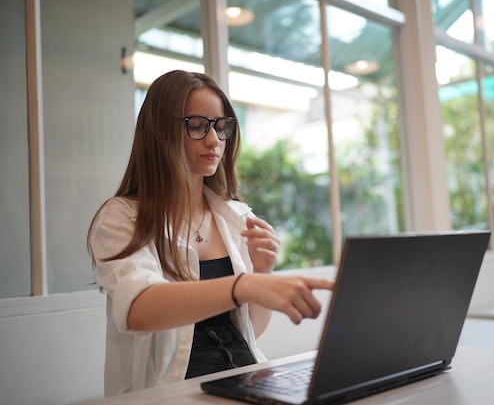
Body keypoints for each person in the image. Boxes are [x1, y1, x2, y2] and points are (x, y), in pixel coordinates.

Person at [87, 70, 334, 396]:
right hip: (171, 395)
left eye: (220, 126)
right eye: (197, 125)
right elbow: (138, 310)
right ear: (159, 131)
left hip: (243, 385)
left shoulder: (236, 216)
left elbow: (250, 334)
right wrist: (245, 285)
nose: (214, 139)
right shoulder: (121, 218)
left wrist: (264, 270)